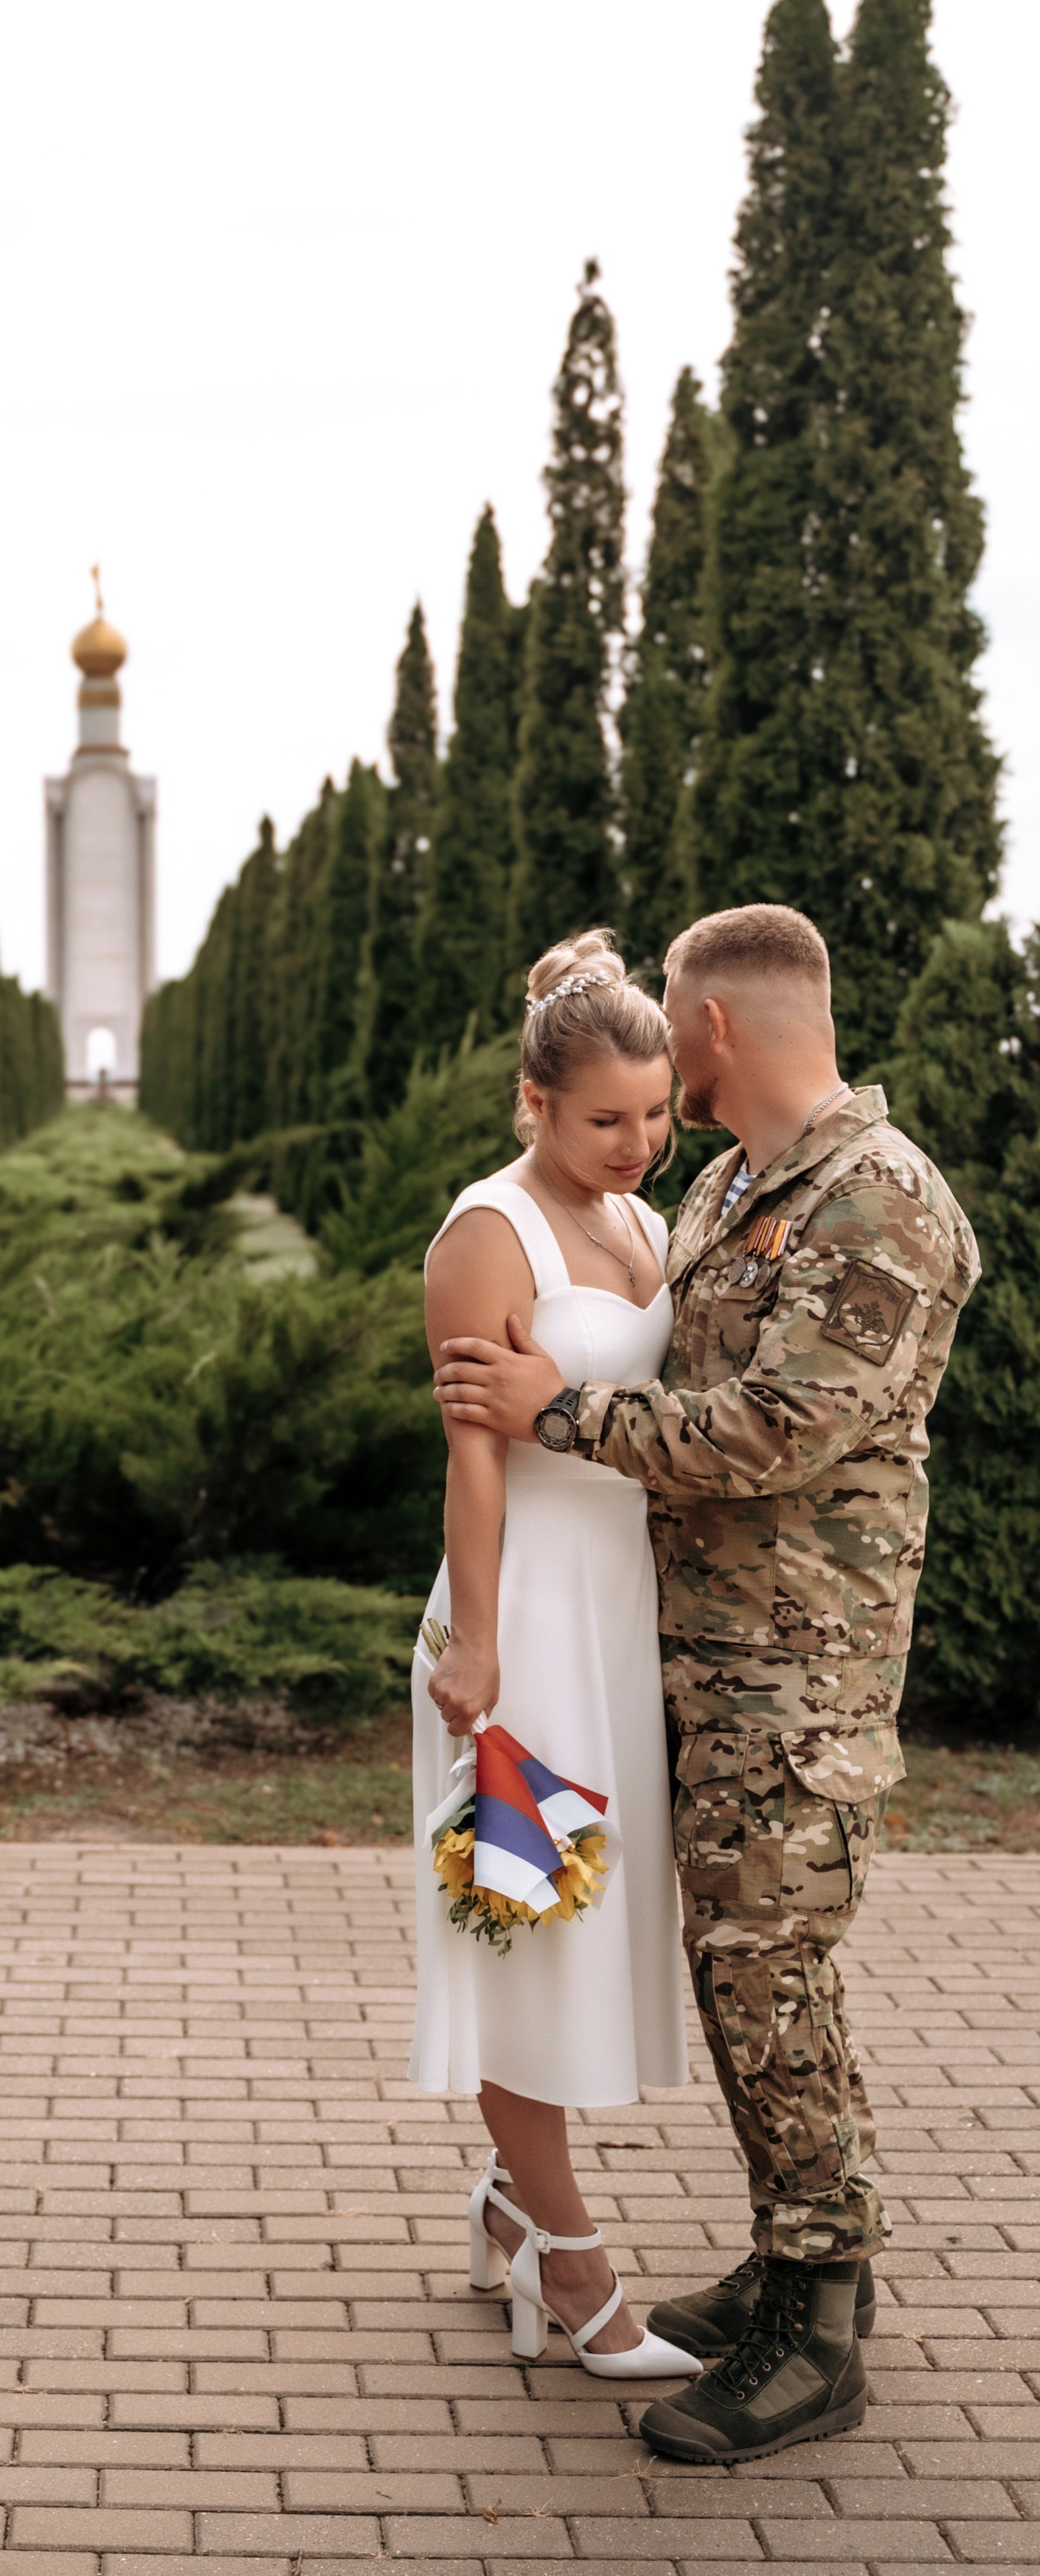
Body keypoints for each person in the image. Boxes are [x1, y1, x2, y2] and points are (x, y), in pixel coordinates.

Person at [433, 903, 978, 2465]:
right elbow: (568, 1161)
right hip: (674, 1659)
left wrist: (556, 1412)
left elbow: (768, 1431)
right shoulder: (740, 1184)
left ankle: (818, 2331)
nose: (660, 1075)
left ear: (714, 1035)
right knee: (738, 1979)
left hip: (796, 1679)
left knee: (769, 1981)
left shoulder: (875, 1203)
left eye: (670, 1036)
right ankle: (788, 2266)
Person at [414, 930, 702, 2385]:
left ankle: (508, 2208)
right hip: (521, 1627)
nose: (637, 1146)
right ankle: (574, 2272)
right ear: (533, 1103)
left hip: (616, 1622)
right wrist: (473, 1649)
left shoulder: (641, 1226)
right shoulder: (488, 1234)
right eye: (605, 1120)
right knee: (527, 1940)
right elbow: (474, 1460)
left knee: (586, 1931)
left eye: (654, 1116)